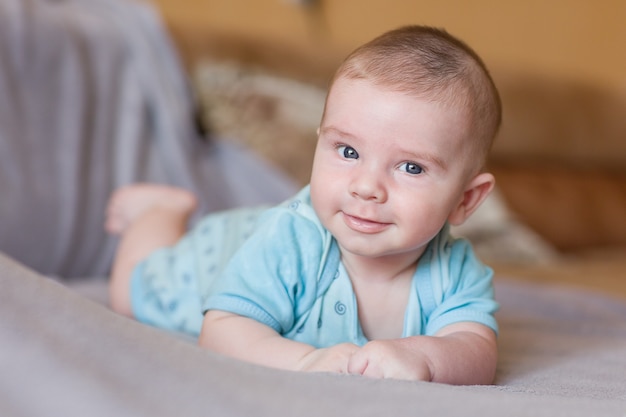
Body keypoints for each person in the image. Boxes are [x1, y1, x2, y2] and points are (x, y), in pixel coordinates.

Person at [106, 25, 502, 384]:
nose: (366, 187)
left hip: (256, 232)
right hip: (218, 254)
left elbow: (475, 351)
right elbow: (222, 330)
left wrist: (425, 359)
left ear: (465, 200)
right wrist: (305, 363)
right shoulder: (291, 241)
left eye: (411, 167)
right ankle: (158, 211)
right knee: (130, 293)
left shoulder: (453, 272)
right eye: (348, 151)